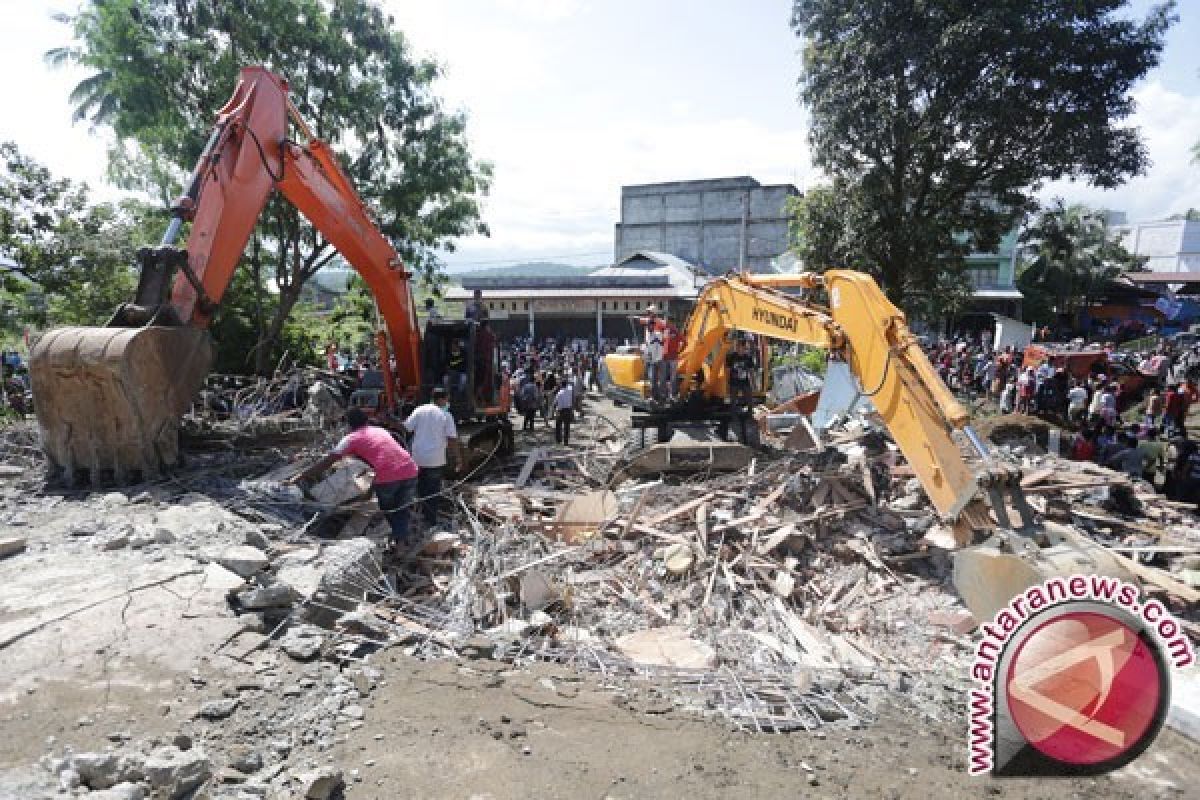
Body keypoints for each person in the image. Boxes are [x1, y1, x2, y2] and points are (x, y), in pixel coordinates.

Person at [289, 408, 418, 552]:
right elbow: (385, 451)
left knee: (389, 509)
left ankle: (400, 543)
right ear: (366, 421)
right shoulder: (380, 430)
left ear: (349, 425)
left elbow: (328, 461)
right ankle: (403, 539)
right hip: (410, 469)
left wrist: (302, 475)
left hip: (389, 476)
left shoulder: (351, 438)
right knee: (402, 508)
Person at [403, 388, 462, 529]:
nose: (448, 402)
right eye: (447, 399)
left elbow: (406, 428)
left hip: (417, 458)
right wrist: (458, 458)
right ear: (441, 399)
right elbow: (452, 439)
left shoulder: (419, 410)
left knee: (421, 488)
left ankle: (421, 515)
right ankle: (430, 520)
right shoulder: (446, 415)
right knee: (433, 491)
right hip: (435, 459)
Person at [636, 305, 667, 401]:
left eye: (649, 312)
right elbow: (641, 320)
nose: (648, 314)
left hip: (657, 353)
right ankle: (657, 395)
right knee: (654, 377)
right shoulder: (652, 321)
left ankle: (660, 395)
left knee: (657, 377)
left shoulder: (659, 322)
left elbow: (664, 334)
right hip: (654, 352)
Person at [725, 337, 755, 406]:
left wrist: (753, 384)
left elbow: (751, 371)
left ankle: (750, 415)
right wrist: (727, 383)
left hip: (745, 382)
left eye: (740, 346)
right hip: (734, 382)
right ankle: (734, 416)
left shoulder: (748, 357)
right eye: (737, 346)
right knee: (733, 402)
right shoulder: (731, 357)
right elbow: (727, 371)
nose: (738, 347)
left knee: (749, 400)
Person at [553, 380, 574, 445]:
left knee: (558, 425)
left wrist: (555, 410)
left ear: (561, 385)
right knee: (567, 426)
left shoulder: (559, 393)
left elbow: (556, 402)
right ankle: (566, 441)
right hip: (568, 410)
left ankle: (558, 440)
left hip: (561, 410)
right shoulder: (569, 391)